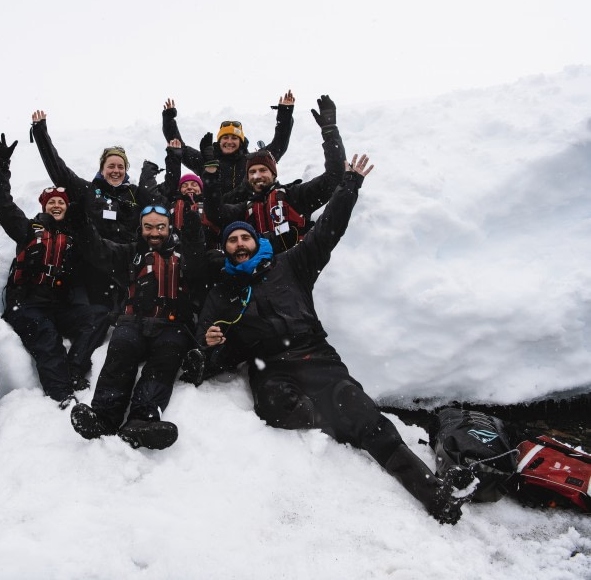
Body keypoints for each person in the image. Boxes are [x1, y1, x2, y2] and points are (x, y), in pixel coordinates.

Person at [196, 155, 477, 524]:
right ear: (226, 249)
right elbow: (210, 355)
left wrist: (349, 186)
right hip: (271, 367)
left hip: (317, 357)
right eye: (231, 240)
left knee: (369, 421)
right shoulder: (223, 292)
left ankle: (434, 495)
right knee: (275, 408)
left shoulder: (290, 264)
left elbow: (328, 230)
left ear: (256, 239)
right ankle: (334, 420)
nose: (239, 243)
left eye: (244, 236)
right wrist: (212, 346)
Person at [69, 204, 207, 450]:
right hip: (133, 322)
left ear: (169, 229)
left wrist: (195, 232)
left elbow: (198, 265)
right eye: (149, 227)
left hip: (172, 325)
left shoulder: (183, 255)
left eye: (160, 227)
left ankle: (142, 420)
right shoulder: (130, 253)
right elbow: (98, 250)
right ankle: (103, 417)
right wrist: (81, 224)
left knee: (165, 361)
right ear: (141, 228)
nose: (154, 232)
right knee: (120, 352)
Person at [0, 133, 109, 408]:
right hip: (27, 303)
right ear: (44, 206)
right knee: (47, 338)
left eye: (61, 202)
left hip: (57, 305)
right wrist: (1, 165)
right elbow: (1, 205)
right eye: (51, 201)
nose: (56, 205)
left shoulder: (74, 239)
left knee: (98, 316)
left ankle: (76, 369)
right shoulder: (28, 229)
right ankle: (62, 395)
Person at [204, 95, 347, 254]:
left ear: (274, 174)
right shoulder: (243, 209)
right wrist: (210, 173)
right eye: (252, 172)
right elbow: (214, 212)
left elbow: (335, 177)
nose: (257, 176)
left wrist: (330, 130)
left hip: (294, 267)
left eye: (263, 170)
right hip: (258, 271)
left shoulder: (295, 196)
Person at [31, 110, 158, 245]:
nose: (116, 171)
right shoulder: (89, 191)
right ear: (102, 170)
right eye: (111, 166)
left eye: (121, 167)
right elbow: (60, 173)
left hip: (128, 260)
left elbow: (160, 200)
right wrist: (40, 133)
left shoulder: (135, 193)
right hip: (95, 260)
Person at [161, 90, 295, 195]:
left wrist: (285, 113)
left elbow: (279, 144)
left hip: (246, 215)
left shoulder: (252, 160)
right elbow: (179, 147)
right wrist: (169, 119)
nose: (229, 141)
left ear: (241, 142)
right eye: (225, 138)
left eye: (234, 138)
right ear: (219, 141)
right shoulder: (207, 160)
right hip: (215, 216)